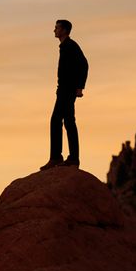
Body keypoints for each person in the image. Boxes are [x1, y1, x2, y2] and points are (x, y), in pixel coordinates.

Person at [40, 19, 88, 170]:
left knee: (56, 120)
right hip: (63, 89)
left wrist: (80, 87)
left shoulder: (70, 46)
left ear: (64, 30)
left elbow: (84, 64)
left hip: (67, 90)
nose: (54, 30)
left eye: (57, 28)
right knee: (68, 122)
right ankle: (71, 158)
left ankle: (57, 157)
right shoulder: (65, 46)